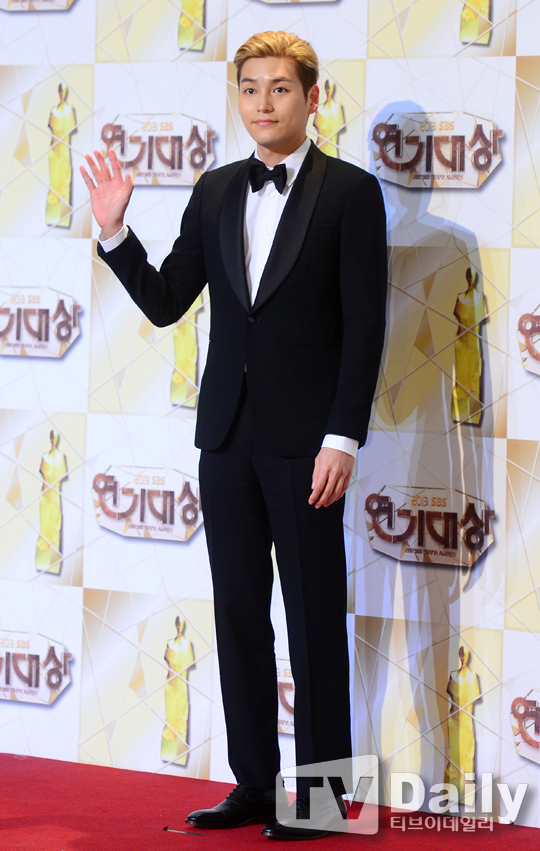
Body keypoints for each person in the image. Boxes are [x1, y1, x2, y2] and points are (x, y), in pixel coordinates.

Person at [81, 30, 387, 840]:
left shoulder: (351, 193)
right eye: (249, 88)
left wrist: (343, 437)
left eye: (279, 88)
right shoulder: (216, 189)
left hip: (309, 445)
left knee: (313, 621)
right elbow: (165, 301)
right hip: (226, 439)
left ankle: (323, 801)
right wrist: (115, 234)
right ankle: (254, 783)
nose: (262, 103)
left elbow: (365, 327)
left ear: (312, 98)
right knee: (240, 616)